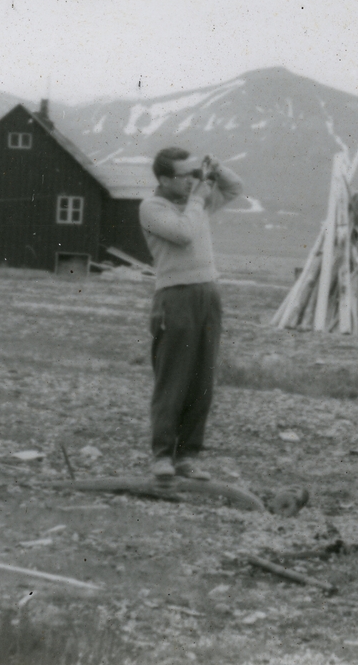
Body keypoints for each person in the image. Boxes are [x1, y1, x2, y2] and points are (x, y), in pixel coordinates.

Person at [139, 147, 243, 480]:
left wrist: (214, 168)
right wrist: (199, 197)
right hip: (175, 297)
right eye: (184, 176)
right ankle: (162, 456)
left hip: (207, 293)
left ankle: (185, 456)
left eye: (193, 174)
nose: (192, 182)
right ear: (165, 179)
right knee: (173, 380)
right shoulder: (152, 207)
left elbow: (234, 188)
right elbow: (183, 234)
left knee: (202, 382)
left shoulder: (193, 204)